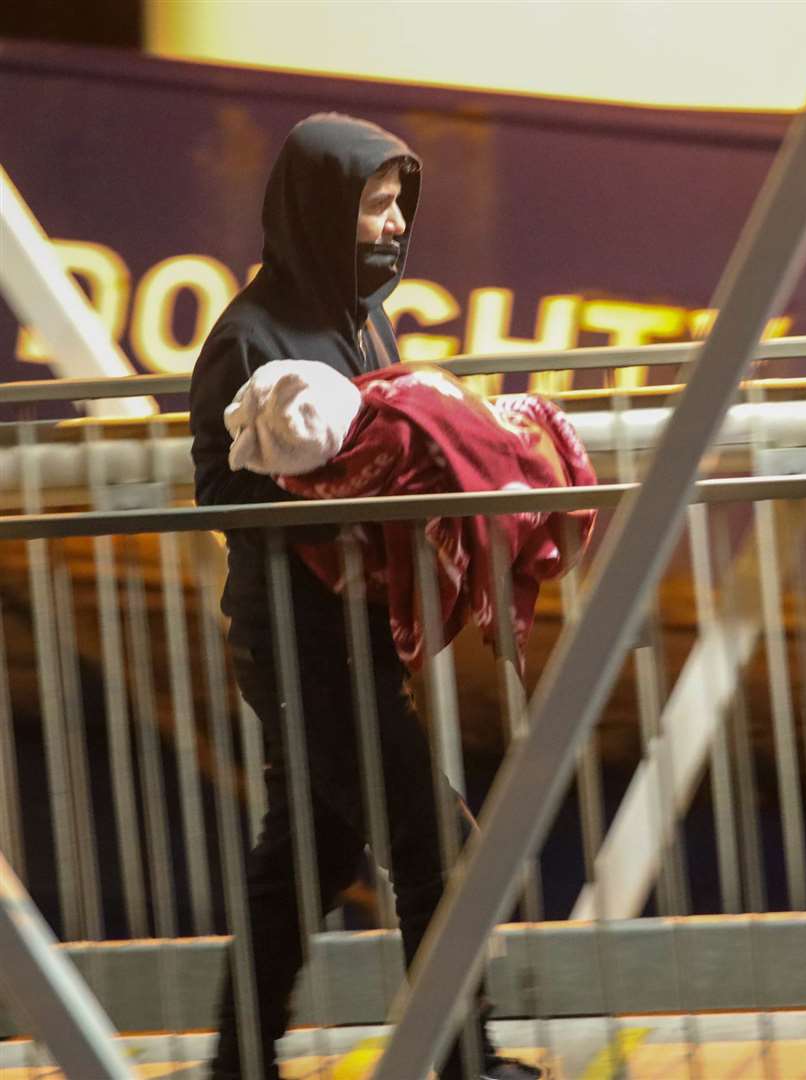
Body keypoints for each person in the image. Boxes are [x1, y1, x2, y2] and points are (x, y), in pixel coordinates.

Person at [190, 112, 543, 1080]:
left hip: (351, 643)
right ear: (319, 210)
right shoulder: (247, 338)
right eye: (374, 208)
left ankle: (237, 1065)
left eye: (398, 207)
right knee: (433, 841)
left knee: (296, 865)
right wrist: (335, 486)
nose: (393, 227)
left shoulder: (359, 316)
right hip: (299, 648)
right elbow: (221, 494)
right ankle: (462, 1057)